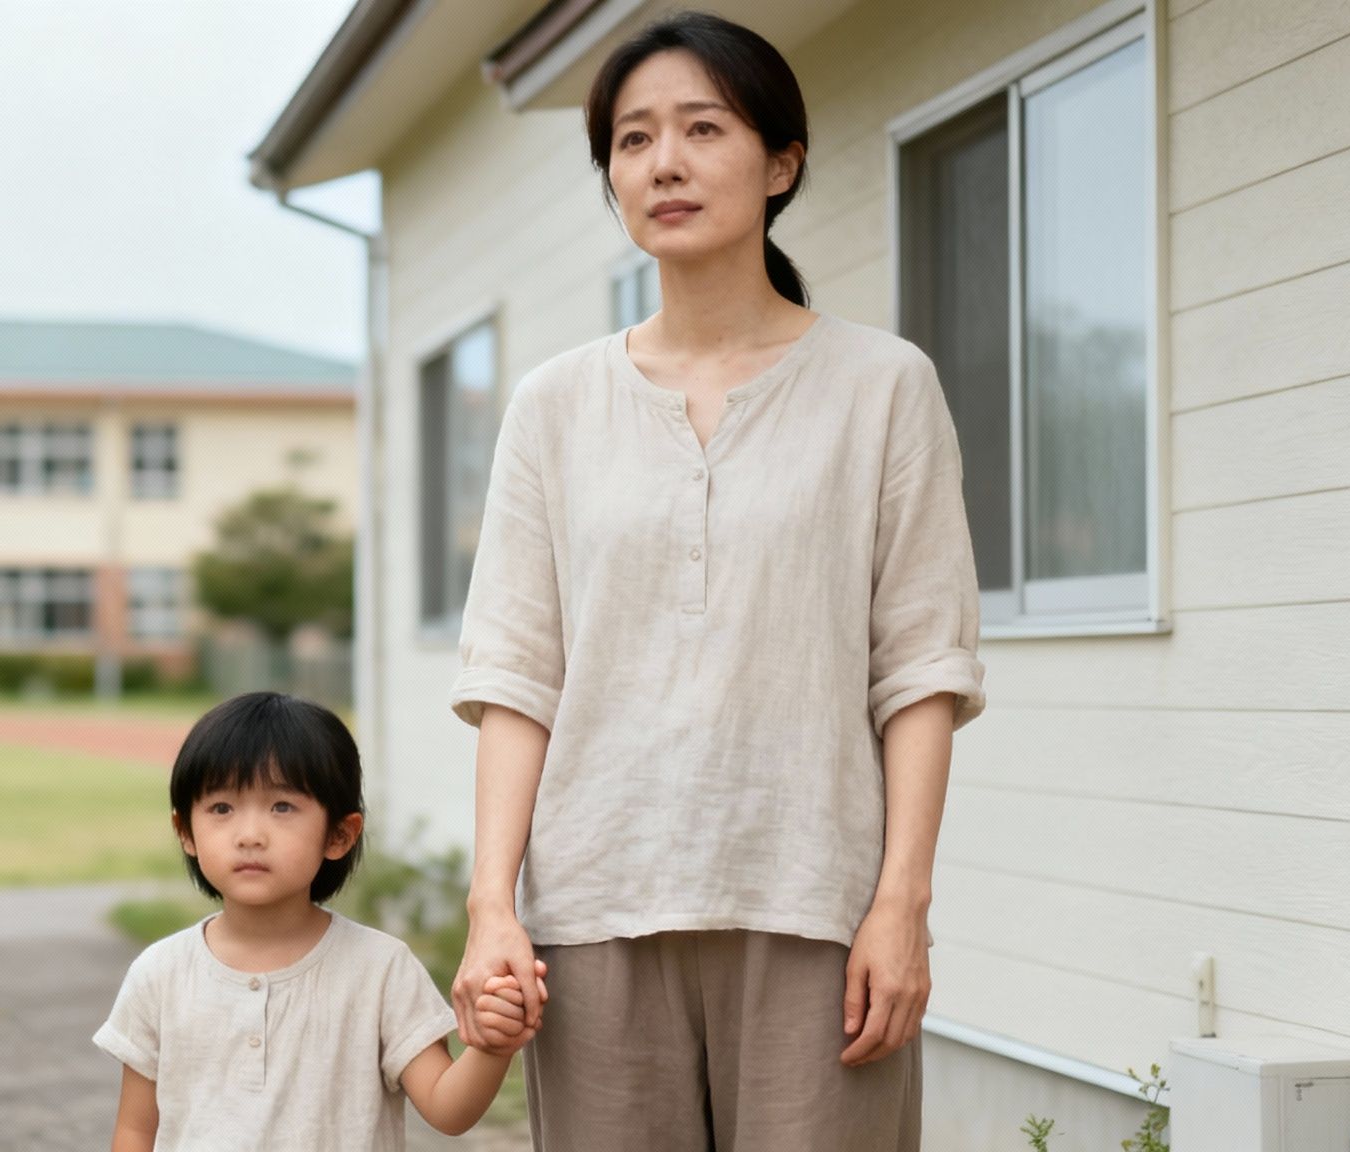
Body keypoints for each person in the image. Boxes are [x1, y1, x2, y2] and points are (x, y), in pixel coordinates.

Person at [445, 12, 987, 1152]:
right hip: (594, 913)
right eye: (633, 140)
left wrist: (902, 904)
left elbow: (921, 671)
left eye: (702, 129)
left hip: (816, 907)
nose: (665, 164)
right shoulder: (553, 406)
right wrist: (491, 905)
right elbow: (516, 677)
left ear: (780, 163)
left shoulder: (882, 386)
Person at [95, 691, 543, 1152]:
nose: (250, 835)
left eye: (282, 807)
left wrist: (492, 1047)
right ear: (186, 831)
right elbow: (136, 1131)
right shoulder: (160, 975)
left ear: (339, 835)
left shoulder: (380, 970)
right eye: (222, 808)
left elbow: (448, 1110)